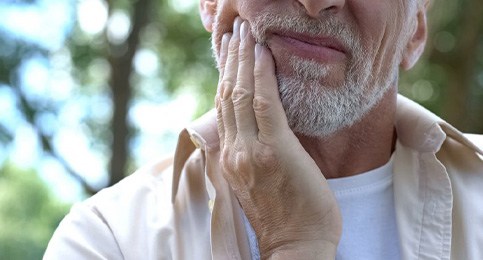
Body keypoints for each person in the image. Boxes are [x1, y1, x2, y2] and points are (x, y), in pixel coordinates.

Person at [44, 0, 483, 259]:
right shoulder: (109, 241)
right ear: (211, 2)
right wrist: (294, 244)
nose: (316, 1)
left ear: (415, 31)